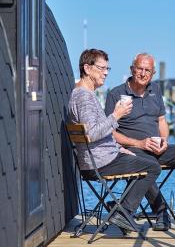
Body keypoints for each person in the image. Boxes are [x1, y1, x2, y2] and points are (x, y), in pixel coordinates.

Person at [105, 53, 175, 230]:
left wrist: (164, 141)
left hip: (157, 147)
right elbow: (110, 132)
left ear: (152, 73)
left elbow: (161, 122)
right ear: (132, 69)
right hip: (132, 148)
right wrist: (139, 144)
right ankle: (161, 212)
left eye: (148, 71)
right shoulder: (116, 94)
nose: (143, 74)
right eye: (140, 69)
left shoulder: (156, 90)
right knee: (148, 164)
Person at [67, 49, 163, 233]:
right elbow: (93, 133)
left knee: (142, 161)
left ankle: (120, 209)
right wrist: (116, 115)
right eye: (102, 68)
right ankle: (124, 212)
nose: (105, 73)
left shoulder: (82, 94)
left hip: (100, 159)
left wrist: (118, 148)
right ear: (87, 68)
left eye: (107, 69)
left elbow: (96, 133)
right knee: (152, 167)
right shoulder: (84, 97)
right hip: (100, 163)